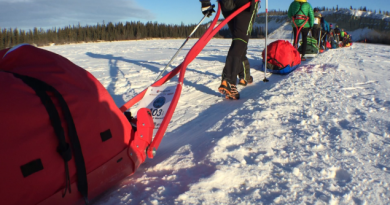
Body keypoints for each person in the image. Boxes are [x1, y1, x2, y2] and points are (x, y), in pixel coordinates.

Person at [200, 0, 258, 100]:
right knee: (240, 39)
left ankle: (243, 74)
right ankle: (229, 81)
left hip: (226, 3)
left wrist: (205, 2)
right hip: (245, 3)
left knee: (238, 40)